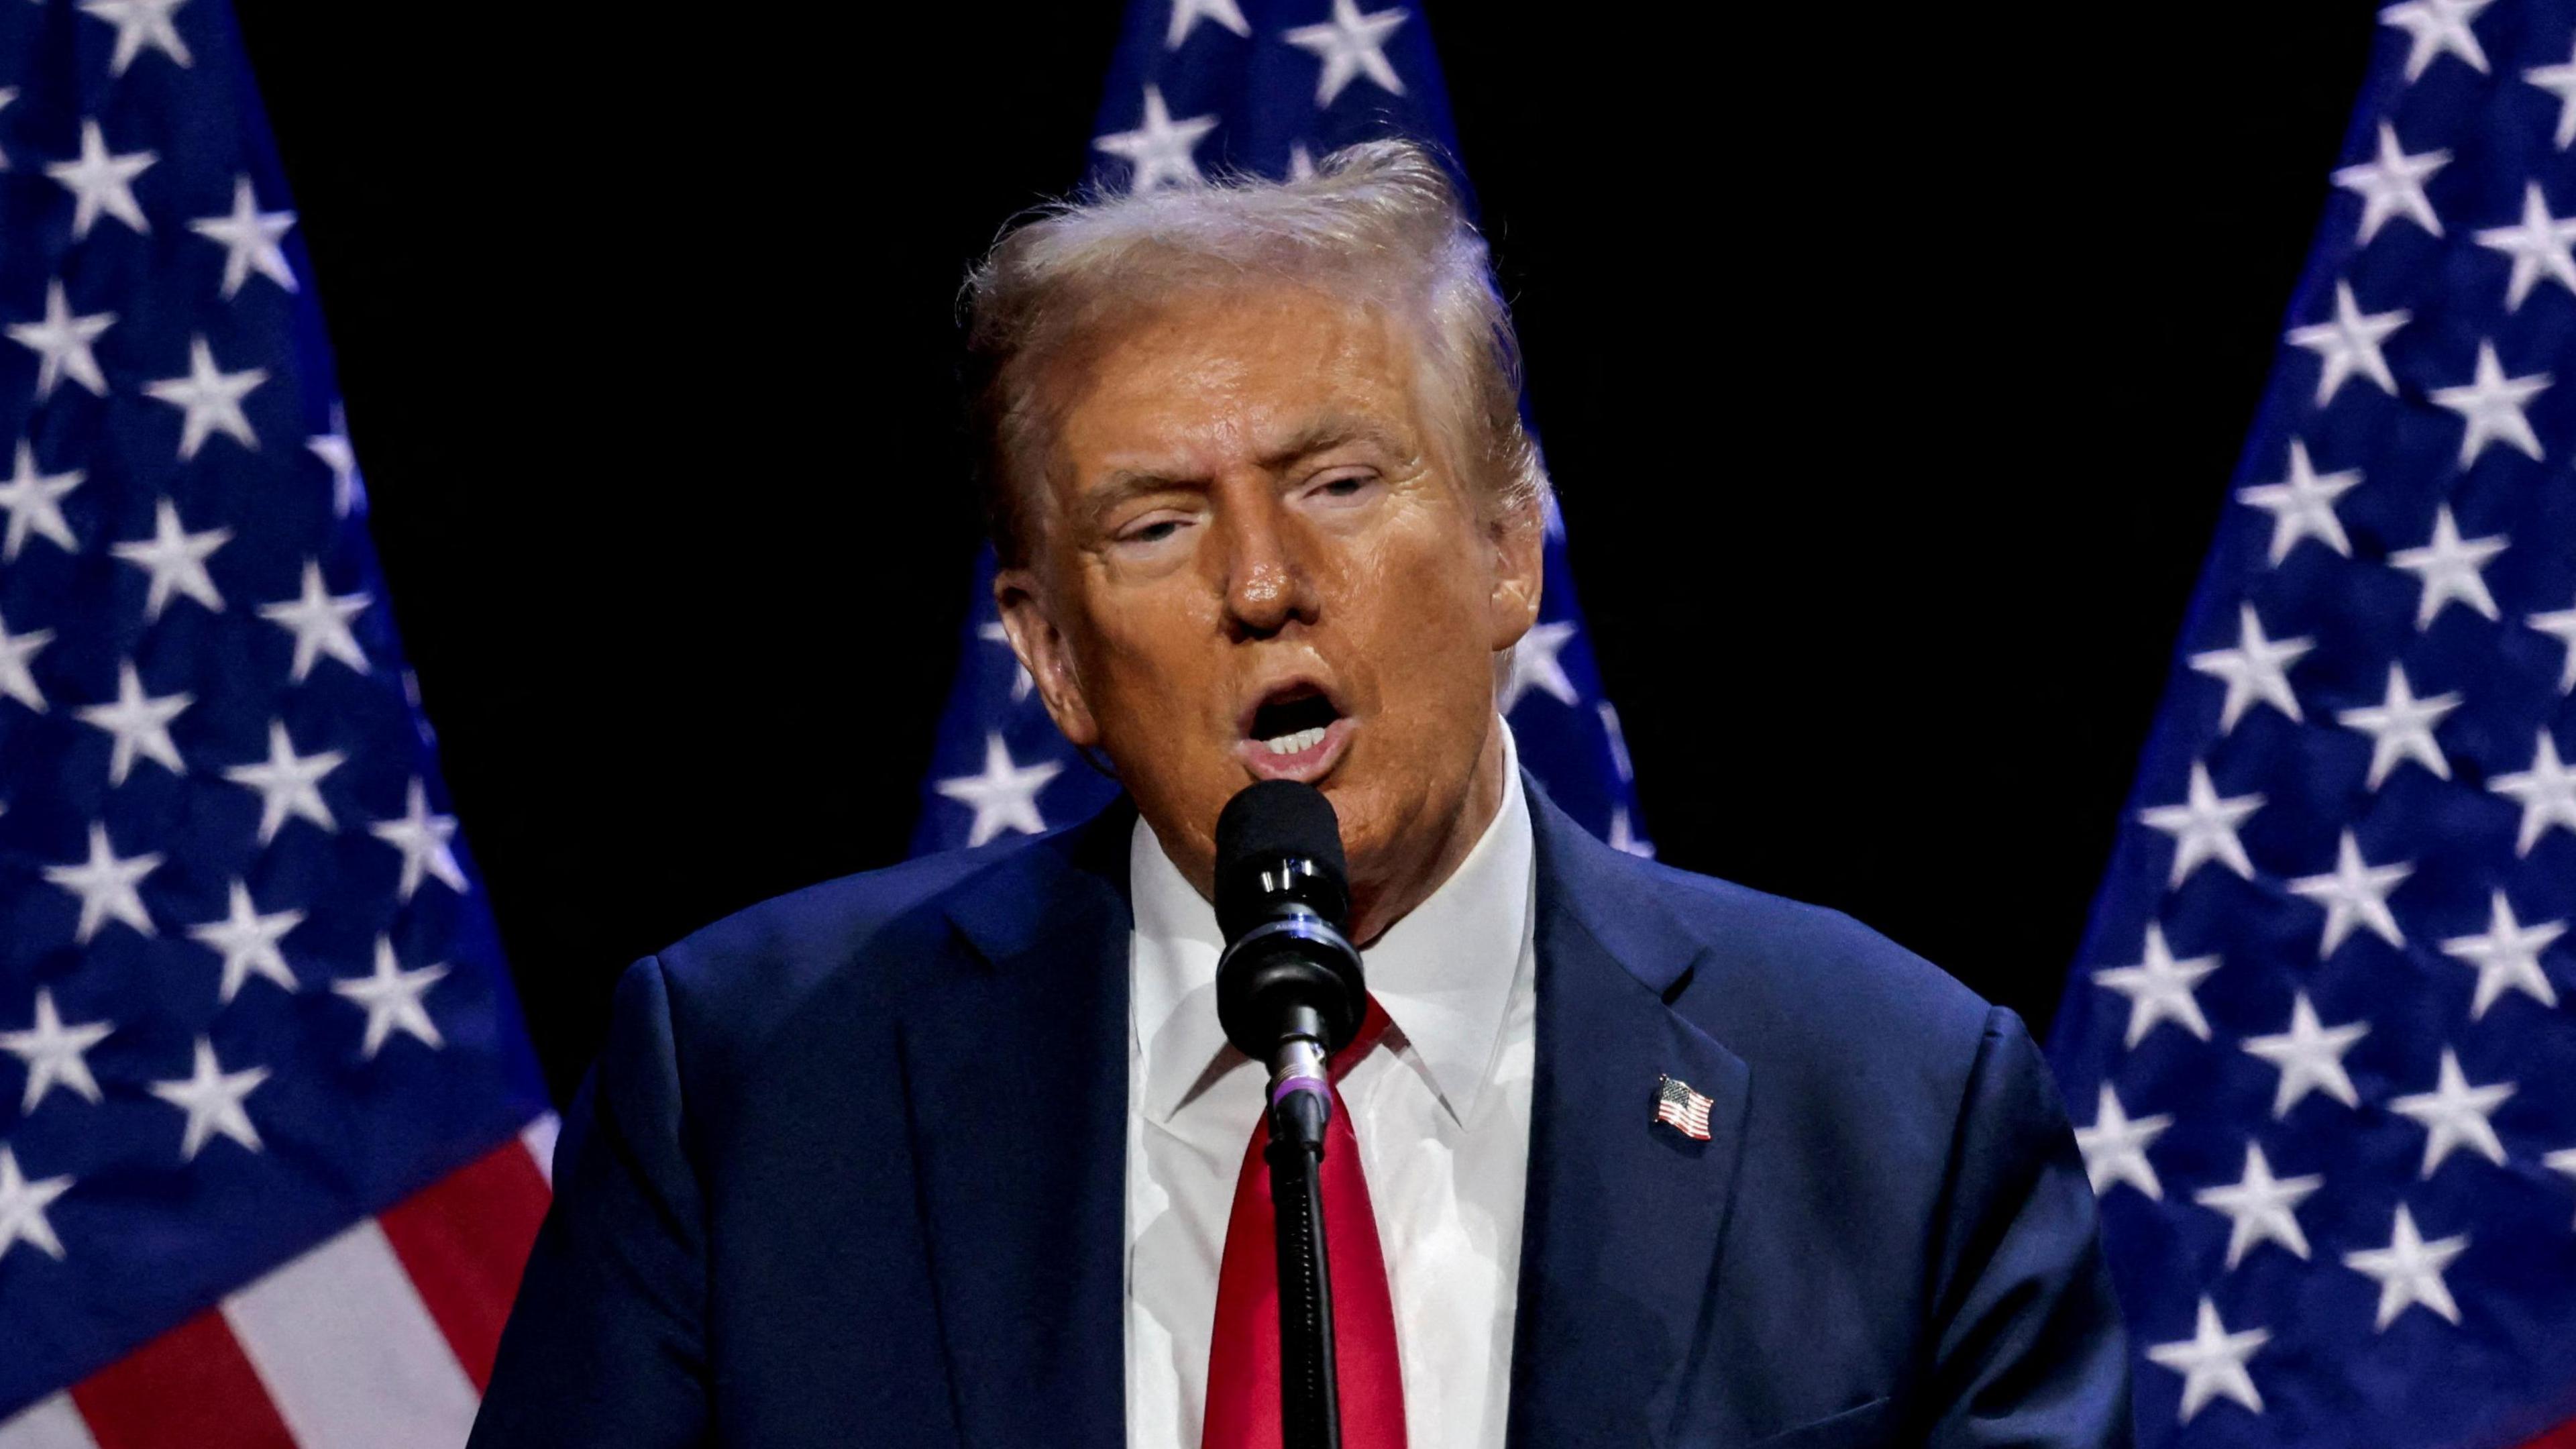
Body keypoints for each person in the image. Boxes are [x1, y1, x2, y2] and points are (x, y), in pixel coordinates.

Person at [470, 140, 2133, 1448]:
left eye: (1341, 482)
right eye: (1155, 524)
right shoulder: (757, 1094)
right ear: (1052, 655)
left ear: (1505, 546)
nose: (1263, 581)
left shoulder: (1893, 1105)